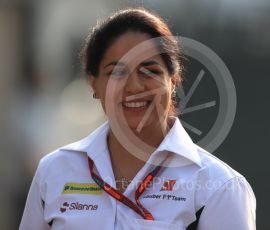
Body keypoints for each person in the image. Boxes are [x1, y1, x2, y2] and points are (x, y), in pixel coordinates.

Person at [20, 8, 256, 230]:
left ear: (173, 80)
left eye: (150, 70)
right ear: (94, 83)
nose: (134, 86)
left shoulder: (220, 187)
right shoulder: (53, 171)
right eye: (117, 72)